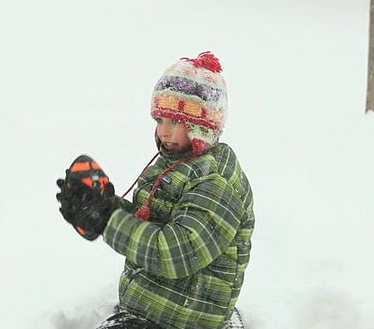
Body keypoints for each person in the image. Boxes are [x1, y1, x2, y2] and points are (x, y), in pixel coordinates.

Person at [56, 51, 254, 329]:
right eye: (160, 120)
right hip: (157, 306)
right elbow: (151, 224)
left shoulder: (216, 182)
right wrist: (103, 208)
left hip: (187, 318)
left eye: (175, 122)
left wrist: (109, 220)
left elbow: (178, 253)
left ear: (202, 126)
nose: (164, 132)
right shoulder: (175, 164)